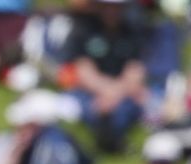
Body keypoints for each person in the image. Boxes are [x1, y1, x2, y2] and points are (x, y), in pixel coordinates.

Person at [62, 0, 147, 153]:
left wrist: (114, 94)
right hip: (91, 91)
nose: (111, 11)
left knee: (133, 106)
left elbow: (135, 71)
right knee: (82, 107)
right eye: (107, 6)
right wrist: (106, 91)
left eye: (116, 7)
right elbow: (83, 70)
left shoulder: (133, 30)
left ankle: (112, 140)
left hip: (122, 92)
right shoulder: (84, 28)